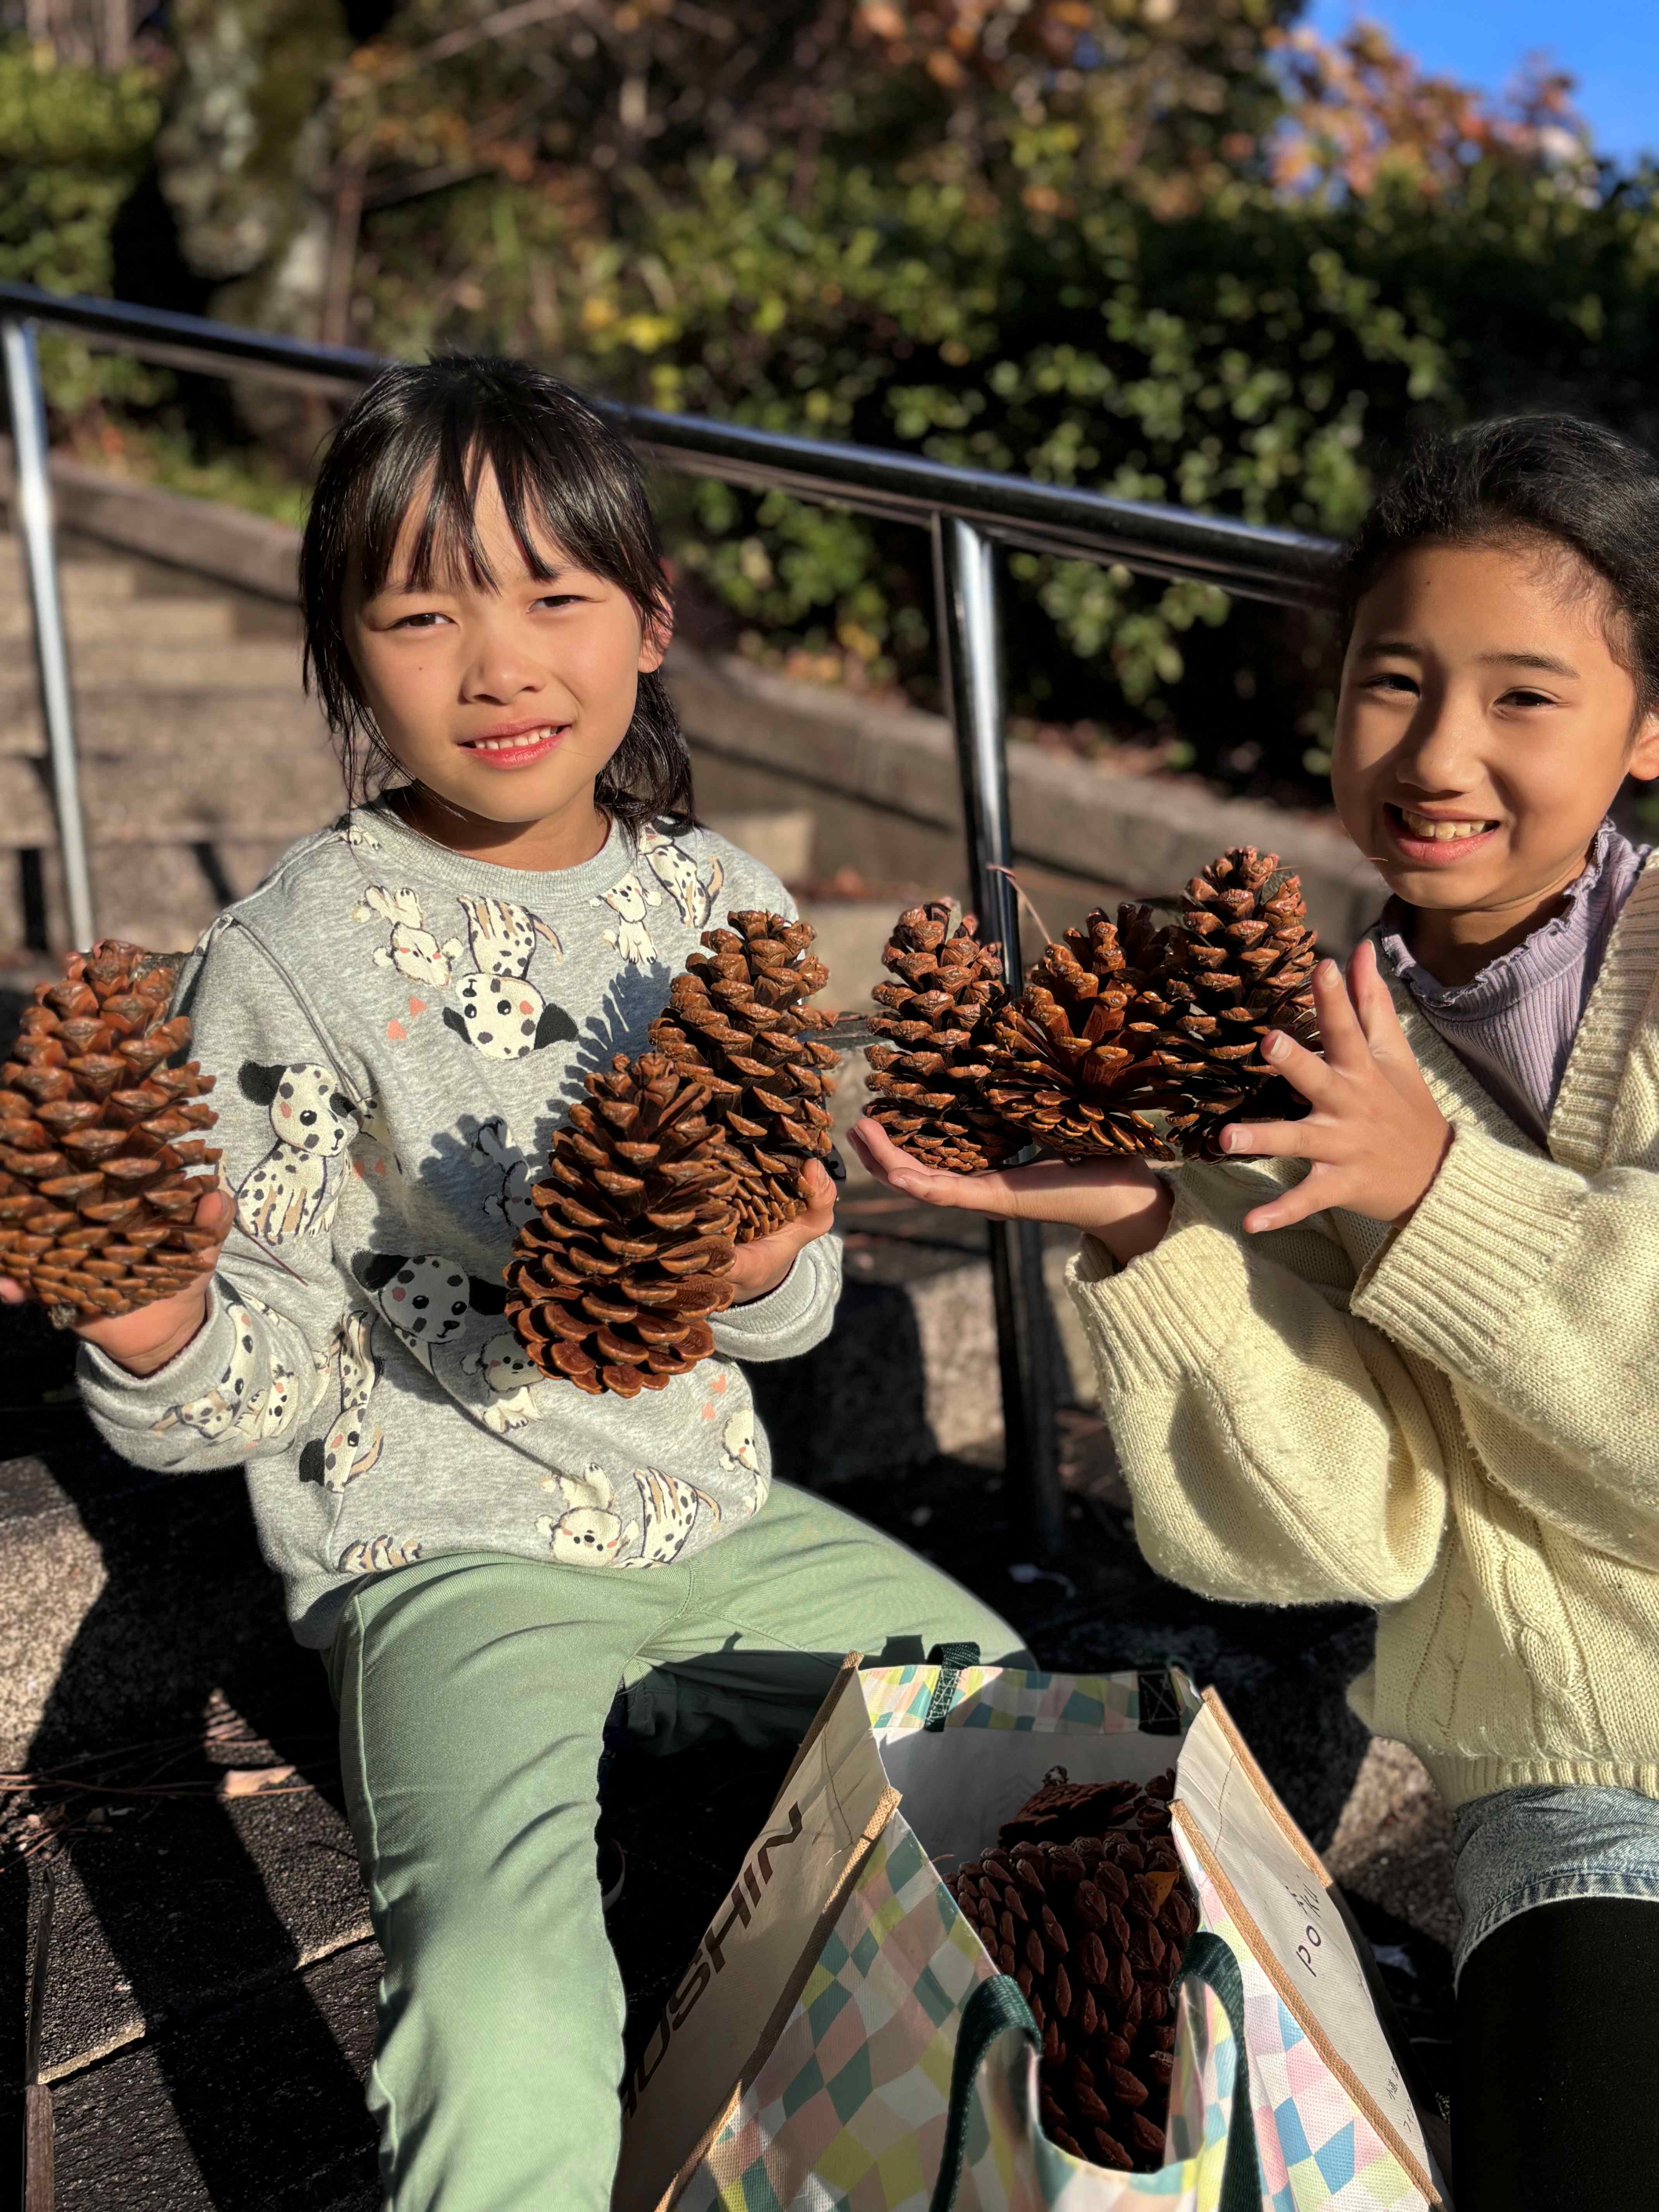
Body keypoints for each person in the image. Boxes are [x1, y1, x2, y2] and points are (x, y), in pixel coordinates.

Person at [18, 356, 1026, 2212]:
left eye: (556, 597)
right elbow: (278, 1361)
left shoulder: (724, 908)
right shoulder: (295, 953)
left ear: (649, 625)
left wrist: (755, 1271)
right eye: (419, 612)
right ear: (341, 655)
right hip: (446, 1551)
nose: (497, 665)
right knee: (503, 1994)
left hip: (717, 1510)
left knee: (1026, 1739)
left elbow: (785, 1312)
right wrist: (152, 1319)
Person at [851, 414, 1659, 2210]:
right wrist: (1155, 1231)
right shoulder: (1271, 1055)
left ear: (1649, 726)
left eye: (1527, 696)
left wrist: (1441, 1199)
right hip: (1583, 1788)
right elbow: (1339, 1529)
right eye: (1394, 681)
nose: (1441, 752)